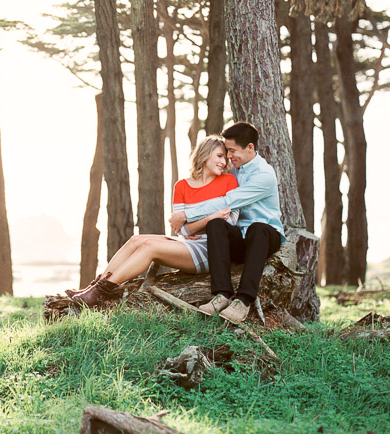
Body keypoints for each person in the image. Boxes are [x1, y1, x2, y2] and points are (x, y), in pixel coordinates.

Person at [68, 135, 239, 309]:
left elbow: (229, 223)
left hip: (212, 250)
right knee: (136, 240)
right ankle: (93, 287)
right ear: (205, 154)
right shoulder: (182, 186)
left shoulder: (228, 181)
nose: (224, 162)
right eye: (219, 156)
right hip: (187, 243)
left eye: (225, 158)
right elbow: (181, 230)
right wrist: (209, 219)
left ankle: (100, 292)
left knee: (149, 246)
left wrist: (194, 225)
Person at [168, 121, 284, 324]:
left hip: (265, 238)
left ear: (250, 147)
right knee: (215, 224)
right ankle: (221, 295)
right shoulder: (234, 171)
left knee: (258, 228)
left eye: (232, 151)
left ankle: (244, 300)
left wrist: (186, 215)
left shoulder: (264, 175)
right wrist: (193, 226)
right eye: (227, 152)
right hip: (241, 239)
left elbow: (227, 201)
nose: (229, 157)